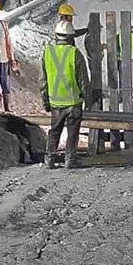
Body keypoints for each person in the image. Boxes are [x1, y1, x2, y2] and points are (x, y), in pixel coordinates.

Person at [41, 20, 92, 169]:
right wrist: (88, 101)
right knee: (73, 131)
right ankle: (70, 159)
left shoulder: (47, 53)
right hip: (73, 101)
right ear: (71, 37)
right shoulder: (74, 53)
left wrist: (45, 101)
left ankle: (49, 158)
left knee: (54, 131)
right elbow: (83, 80)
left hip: (55, 102)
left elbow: (42, 80)